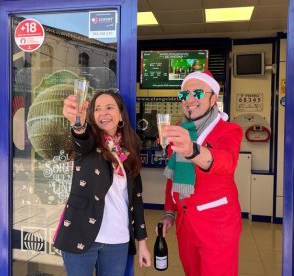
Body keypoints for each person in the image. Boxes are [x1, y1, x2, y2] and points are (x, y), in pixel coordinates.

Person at [54, 89, 151, 276]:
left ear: (121, 115)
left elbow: (136, 200)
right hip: (80, 232)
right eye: (97, 108)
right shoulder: (88, 145)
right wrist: (77, 123)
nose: (103, 112)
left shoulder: (129, 152)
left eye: (109, 107)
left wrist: (143, 243)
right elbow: (80, 137)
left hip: (118, 239)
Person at [158, 70, 243, 276]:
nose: (190, 99)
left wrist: (192, 150)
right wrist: (170, 212)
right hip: (185, 225)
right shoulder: (180, 128)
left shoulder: (229, 130)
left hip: (217, 226)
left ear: (213, 98)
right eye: (185, 94)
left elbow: (226, 163)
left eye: (198, 93)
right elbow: (174, 175)